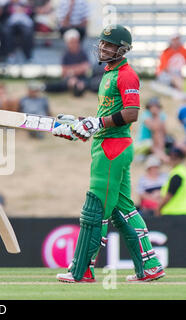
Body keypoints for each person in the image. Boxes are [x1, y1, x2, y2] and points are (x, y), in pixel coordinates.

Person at [52, 24, 165, 282]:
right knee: (122, 209)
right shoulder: (107, 74)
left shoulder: (126, 75)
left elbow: (131, 113)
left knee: (95, 209)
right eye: (102, 43)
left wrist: (97, 124)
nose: (103, 47)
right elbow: (105, 115)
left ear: (122, 49)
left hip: (113, 148)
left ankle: (82, 270)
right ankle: (150, 265)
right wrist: (80, 123)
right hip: (108, 145)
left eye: (109, 44)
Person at [44, 28, 90, 97]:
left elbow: (86, 67)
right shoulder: (65, 54)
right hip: (69, 79)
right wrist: (78, 69)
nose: (74, 44)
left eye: (75, 42)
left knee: (84, 83)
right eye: (72, 42)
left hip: (82, 78)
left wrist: (71, 70)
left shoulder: (83, 53)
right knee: (66, 83)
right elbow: (63, 71)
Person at [134, 97, 169, 163]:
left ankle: (161, 153)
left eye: (156, 106)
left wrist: (157, 116)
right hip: (143, 143)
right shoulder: (145, 115)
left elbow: (164, 132)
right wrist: (157, 116)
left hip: (156, 143)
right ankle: (163, 156)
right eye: (152, 106)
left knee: (161, 135)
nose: (154, 109)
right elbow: (154, 128)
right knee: (151, 141)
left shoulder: (161, 115)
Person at [158, 147, 186, 216]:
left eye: (175, 158)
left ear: (181, 159)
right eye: (171, 157)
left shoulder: (177, 174)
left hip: (173, 213)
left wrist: (158, 208)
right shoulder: (182, 172)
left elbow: (169, 195)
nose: (173, 160)